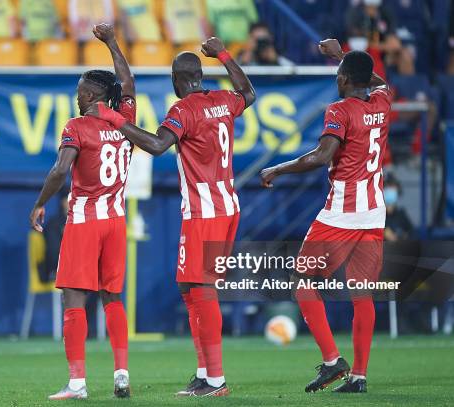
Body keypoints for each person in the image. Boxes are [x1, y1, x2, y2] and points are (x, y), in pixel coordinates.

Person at [89, 37, 255, 397]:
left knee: (202, 288)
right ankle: (203, 372)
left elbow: (156, 144)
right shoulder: (223, 100)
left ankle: (216, 379)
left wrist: (113, 118)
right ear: (198, 75)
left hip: (204, 211)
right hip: (225, 205)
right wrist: (224, 55)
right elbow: (248, 92)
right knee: (189, 287)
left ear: (177, 80)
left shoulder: (184, 110)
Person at [260, 39, 391, 393]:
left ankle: (333, 361)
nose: (336, 79)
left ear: (345, 80)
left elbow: (320, 156)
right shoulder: (382, 100)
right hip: (374, 213)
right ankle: (359, 377)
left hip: (341, 215)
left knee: (303, 280)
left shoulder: (339, 109)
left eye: (339, 74)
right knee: (363, 295)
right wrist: (344, 56)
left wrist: (278, 169)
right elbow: (379, 83)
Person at [29, 23, 135, 400]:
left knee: (73, 299)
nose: (77, 97)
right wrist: (111, 42)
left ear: (91, 94)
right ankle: (121, 375)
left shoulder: (77, 126)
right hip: (115, 221)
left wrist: (41, 203)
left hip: (85, 221)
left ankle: (77, 383)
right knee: (113, 298)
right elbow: (127, 80)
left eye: (80, 91)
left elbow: (60, 170)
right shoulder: (126, 120)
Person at [383, 175, 414, 241]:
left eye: (392, 189)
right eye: (387, 188)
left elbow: (412, 234)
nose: (390, 191)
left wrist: (399, 237)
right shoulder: (376, 216)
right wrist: (383, 233)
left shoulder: (401, 215)